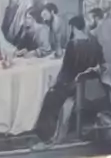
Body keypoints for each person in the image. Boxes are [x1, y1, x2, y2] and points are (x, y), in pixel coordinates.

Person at [35, 14, 104, 144]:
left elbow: (66, 71)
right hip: (91, 86)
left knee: (50, 97)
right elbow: (98, 64)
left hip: (74, 87)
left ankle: (46, 135)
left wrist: (55, 84)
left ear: (73, 28)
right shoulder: (94, 42)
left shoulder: (73, 45)